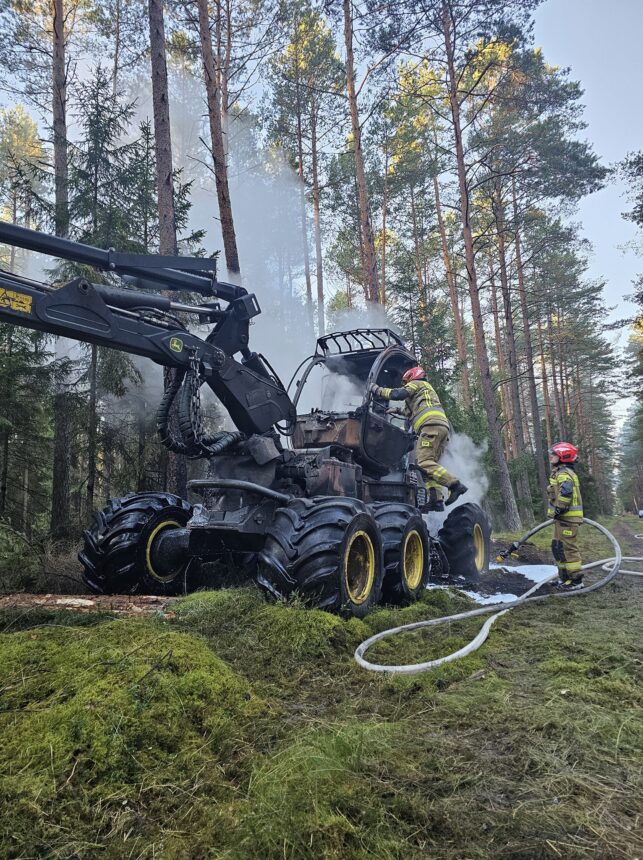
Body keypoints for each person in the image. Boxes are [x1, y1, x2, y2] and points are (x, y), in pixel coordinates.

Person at [370, 366, 468, 511]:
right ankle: (436, 499)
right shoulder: (425, 392)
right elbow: (412, 411)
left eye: (406, 382)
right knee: (427, 467)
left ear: (412, 377)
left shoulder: (418, 383)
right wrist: (396, 410)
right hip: (440, 428)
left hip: (430, 427)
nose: (405, 385)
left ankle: (454, 484)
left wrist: (376, 389)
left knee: (423, 462)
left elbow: (397, 394)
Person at [547, 442, 584, 589]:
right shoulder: (559, 472)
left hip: (568, 518)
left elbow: (566, 493)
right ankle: (564, 577)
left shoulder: (564, 474)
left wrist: (559, 509)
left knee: (568, 549)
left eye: (554, 454)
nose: (551, 456)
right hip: (562, 519)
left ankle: (576, 580)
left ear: (563, 456)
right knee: (558, 547)